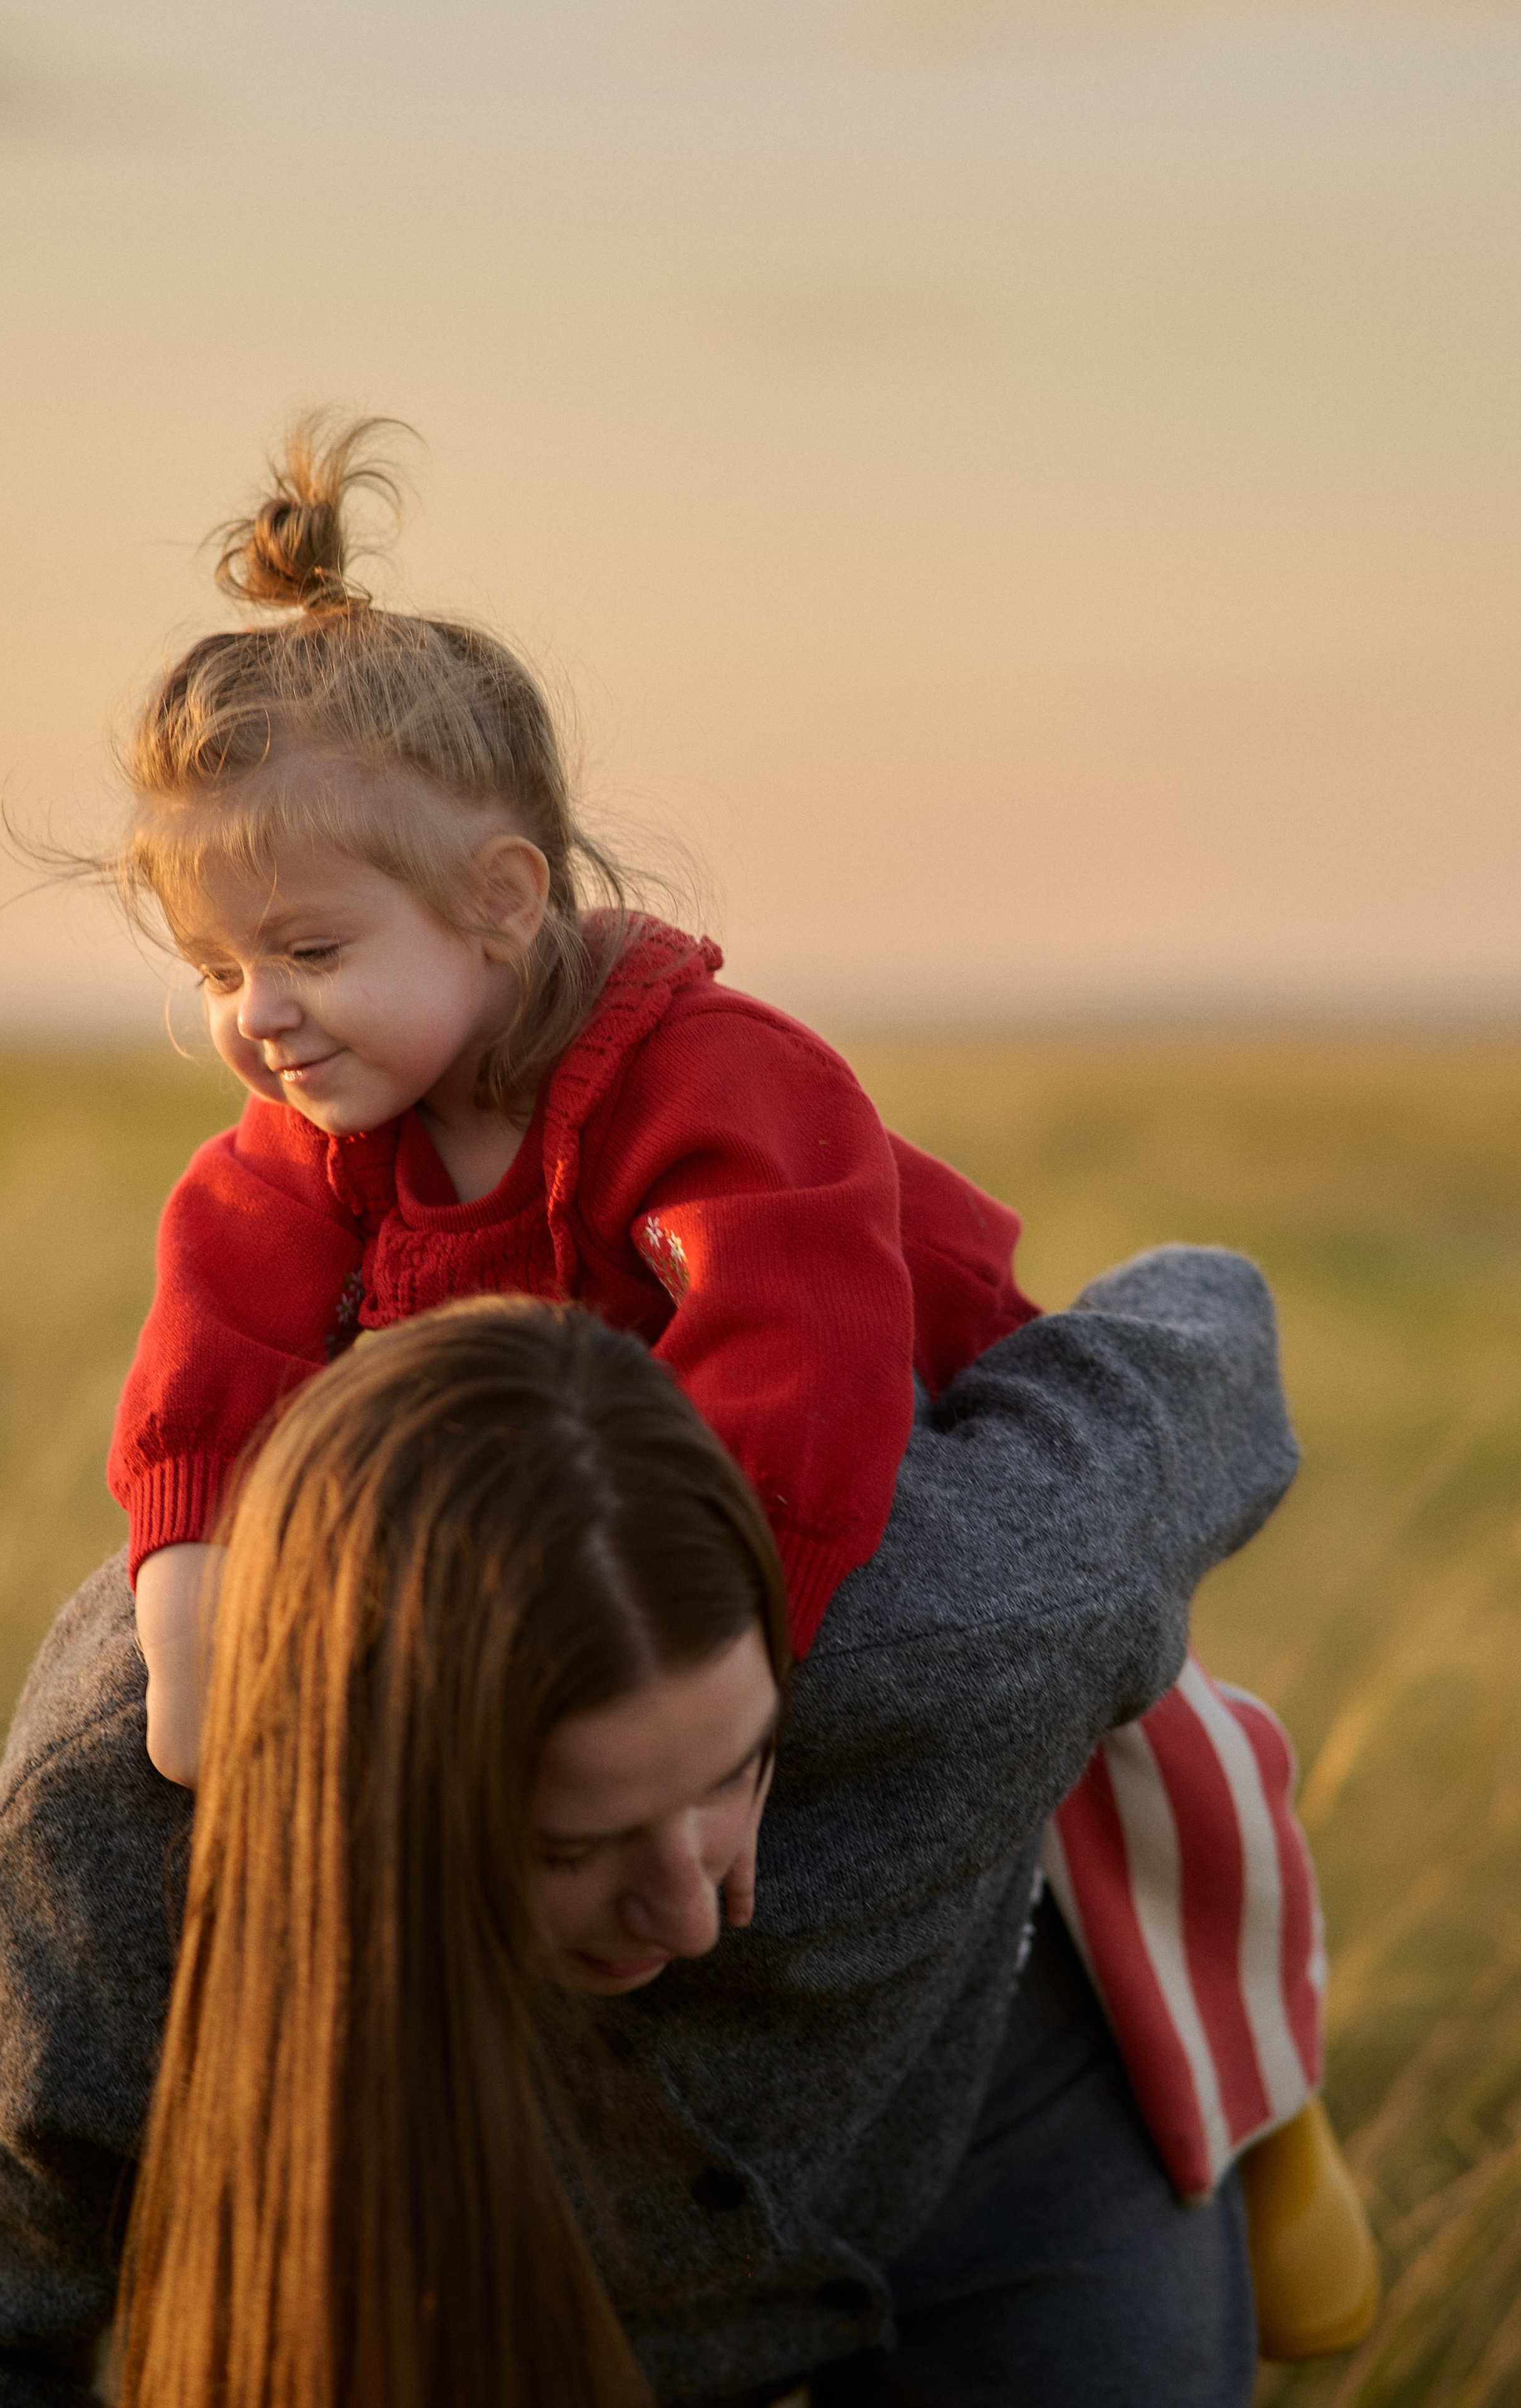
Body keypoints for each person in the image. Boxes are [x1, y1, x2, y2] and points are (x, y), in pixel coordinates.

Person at [88, 420, 1349, 2294]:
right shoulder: (328, 1131)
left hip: (865, 1472)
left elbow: (802, 1383)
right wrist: (192, 1610)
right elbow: (221, 1330)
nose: (256, 1017)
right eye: (212, 970)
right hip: (619, 1543)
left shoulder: (714, 1085)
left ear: (502, 905)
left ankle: (1262, 2127)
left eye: (309, 949)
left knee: (1132, 1796)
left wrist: (713, 1701)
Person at [0, 1250, 1299, 2404]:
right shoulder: (124, 1834)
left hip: (1005, 2126)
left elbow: (1205, 1306)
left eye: (738, 1772)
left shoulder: (976, 1611)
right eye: (572, 1848)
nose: (697, 1914)